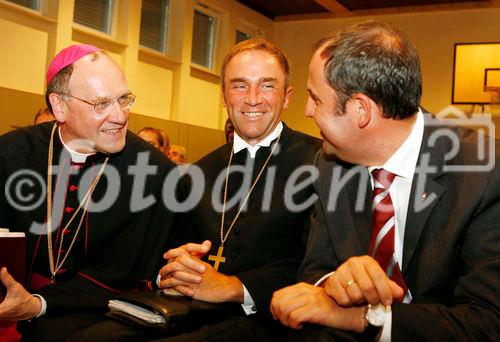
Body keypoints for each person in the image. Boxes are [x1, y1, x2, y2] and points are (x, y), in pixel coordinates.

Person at [270, 21, 500, 341]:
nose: (307, 111)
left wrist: (366, 318)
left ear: (361, 110)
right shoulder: (329, 165)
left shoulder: (485, 174)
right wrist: (336, 283)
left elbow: (487, 321)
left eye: (315, 98)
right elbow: (315, 273)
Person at [0, 44, 175, 340]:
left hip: (95, 312)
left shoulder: (154, 171)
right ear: (59, 106)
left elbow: (122, 271)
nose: (120, 116)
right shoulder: (10, 152)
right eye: (101, 104)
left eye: (123, 99)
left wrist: (38, 304)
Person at [157, 38, 321, 339]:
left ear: (287, 97)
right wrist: (173, 267)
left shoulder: (322, 165)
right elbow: (167, 251)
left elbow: (320, 266)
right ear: (223, 96)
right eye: (240, 85)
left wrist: (236, 287)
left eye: (267, 86)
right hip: (191, 316)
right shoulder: (196, 173)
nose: (253, 99)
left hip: (276, 327)